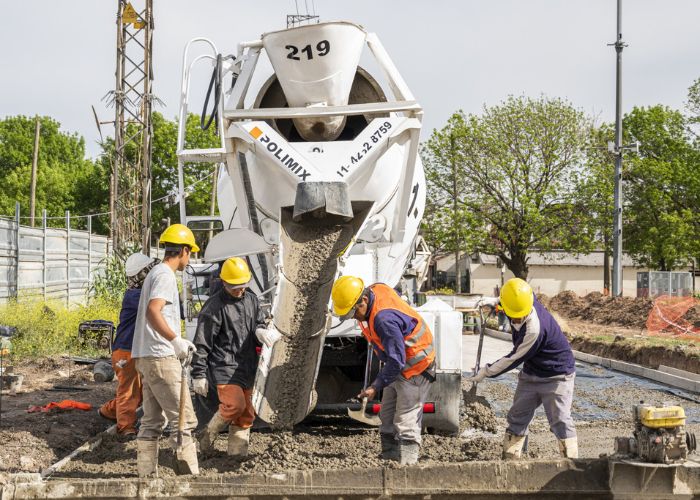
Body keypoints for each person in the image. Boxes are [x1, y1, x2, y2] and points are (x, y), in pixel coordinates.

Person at [467, 278, 578, 459]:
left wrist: (486, 371)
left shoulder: (534, 330)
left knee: (560, 420)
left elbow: (514, 358)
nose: (517, 317)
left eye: (519, 314)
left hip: (557, 374)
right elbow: (512, 298)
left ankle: (571, 464)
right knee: (517, 416)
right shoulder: (523, 298)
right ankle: (510, 460)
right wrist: (494, 301)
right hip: (531, 373)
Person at [330, 276, 436, 465]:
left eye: (354, 312)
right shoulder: (375, 290)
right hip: (398, 364)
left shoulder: (384, 320)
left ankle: (407, 466)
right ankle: (390, 458)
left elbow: (397, 360)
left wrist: (374, 386)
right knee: (386, 415)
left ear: (363, 301)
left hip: (415, 366)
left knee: (406, 419)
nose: (354, 317)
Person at [192, 257, 280, 457]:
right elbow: (202, 343)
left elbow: (257, 322)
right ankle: (208, 433)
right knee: (235, 405)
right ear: (224, 283)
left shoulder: (251, 299)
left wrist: (260, 332)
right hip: (224, 365)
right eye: (235, 287)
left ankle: (236, 455)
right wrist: (198, 373)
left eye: (242, 286)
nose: (239, 290)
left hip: (247, 364)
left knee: (247, 412)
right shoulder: (213, 308)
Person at [131, 224, 200, 477]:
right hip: (160, 356)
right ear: (183, 250)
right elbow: (154, 310)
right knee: (183, 420)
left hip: (147, 356)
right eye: (189, 252)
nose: (189, 258)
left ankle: (146, 476)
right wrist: (175, 340)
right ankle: (189, 477)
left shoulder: (154, 273)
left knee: (151, 421)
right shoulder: (165, 275)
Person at [98, 252, 159, 436]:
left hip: (132, 349)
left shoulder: (138, 293)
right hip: (125, 351)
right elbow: (156, 307)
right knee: (129, 391)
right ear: (142, 275)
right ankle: (125, 428)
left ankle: (108, 411)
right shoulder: (135, 296)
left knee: (135, 392)